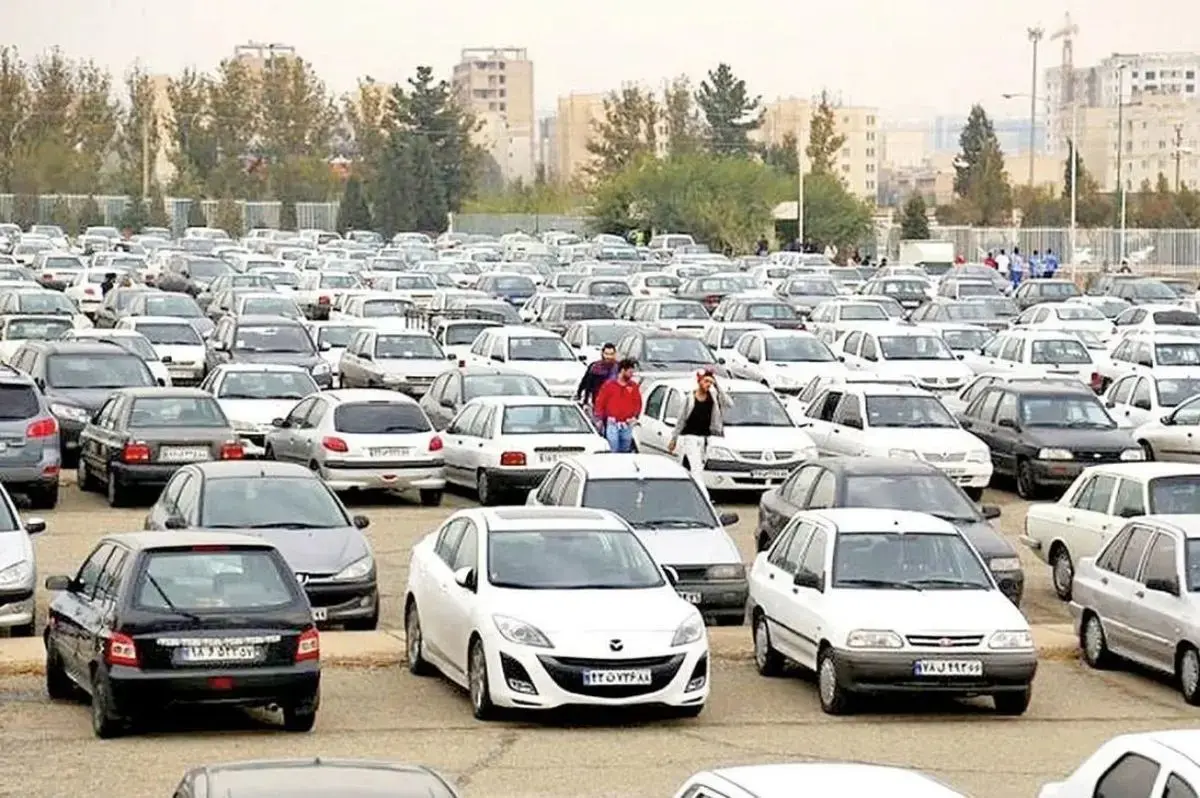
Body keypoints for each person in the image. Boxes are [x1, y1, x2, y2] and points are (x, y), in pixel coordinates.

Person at [667, 367, 732, 493]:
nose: (708, 385)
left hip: (705, 438)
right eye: (706, 382)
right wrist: (674, 438)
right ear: (699, 382)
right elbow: (681, 419)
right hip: (690, 437)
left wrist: (717, 386)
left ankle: (692, 492)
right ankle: (704, 497)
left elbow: (728, 404)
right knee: (696, 469)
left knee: (698, 468)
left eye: (710, 382)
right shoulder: (690, 398)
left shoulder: (713, 396)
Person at [593, 358, 641, 453]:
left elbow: (638, 403)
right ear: (623, 370)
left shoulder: (633, 386)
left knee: (625, 447)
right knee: (613, 446)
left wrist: (635, 416)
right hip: (612, 423)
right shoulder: (609, 385)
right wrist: (599, 419)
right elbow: (600, 402)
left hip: (627, 423)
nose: (632, 375)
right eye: (630, 372)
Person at [575, 343, 618, 409]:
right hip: (597, 402)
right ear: (602, 353)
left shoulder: (619, 368)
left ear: (615, 354)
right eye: (606, 354)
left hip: (615, 402)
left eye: (611, 354)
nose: (608, 357)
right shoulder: (595, 367)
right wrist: (584, 400)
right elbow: (586, 383)